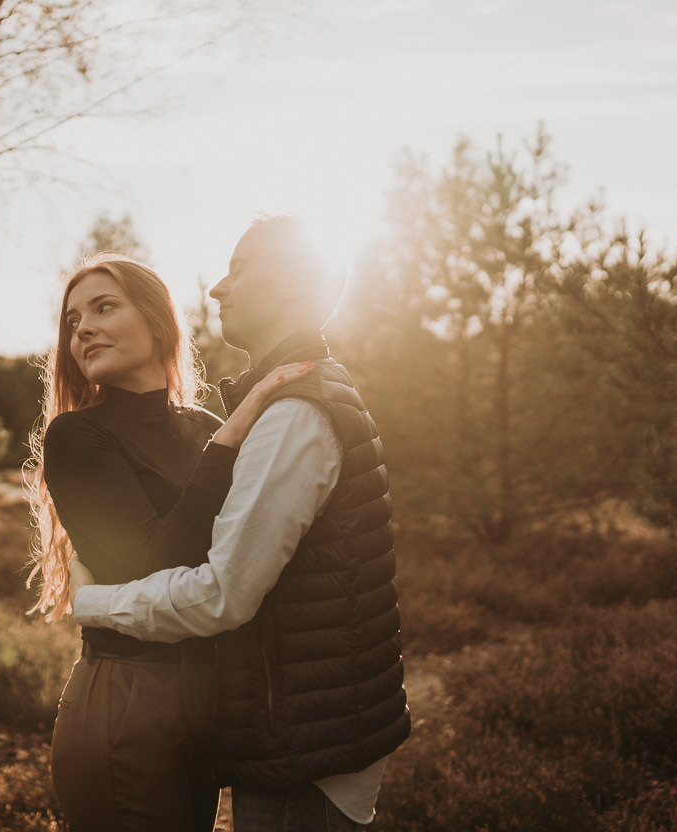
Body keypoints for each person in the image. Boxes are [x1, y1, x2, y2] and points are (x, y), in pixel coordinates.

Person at [70, 216, 411, 832]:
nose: (217, 289)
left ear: (288, 285)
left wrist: (92, 602)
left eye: (239, 269)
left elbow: (222, 594)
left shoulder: (292, 414)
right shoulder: (300, 398)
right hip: (299, 723)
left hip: (303, 740)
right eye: (74, 320)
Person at [25, 253, 312, 832]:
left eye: (104, 307)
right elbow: (154, 564)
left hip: (208, 702)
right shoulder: (78, 436)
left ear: (157, 321)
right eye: (72, 319)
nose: (82, 327)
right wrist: (237, 429)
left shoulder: (204, 427)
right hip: (124, 704)